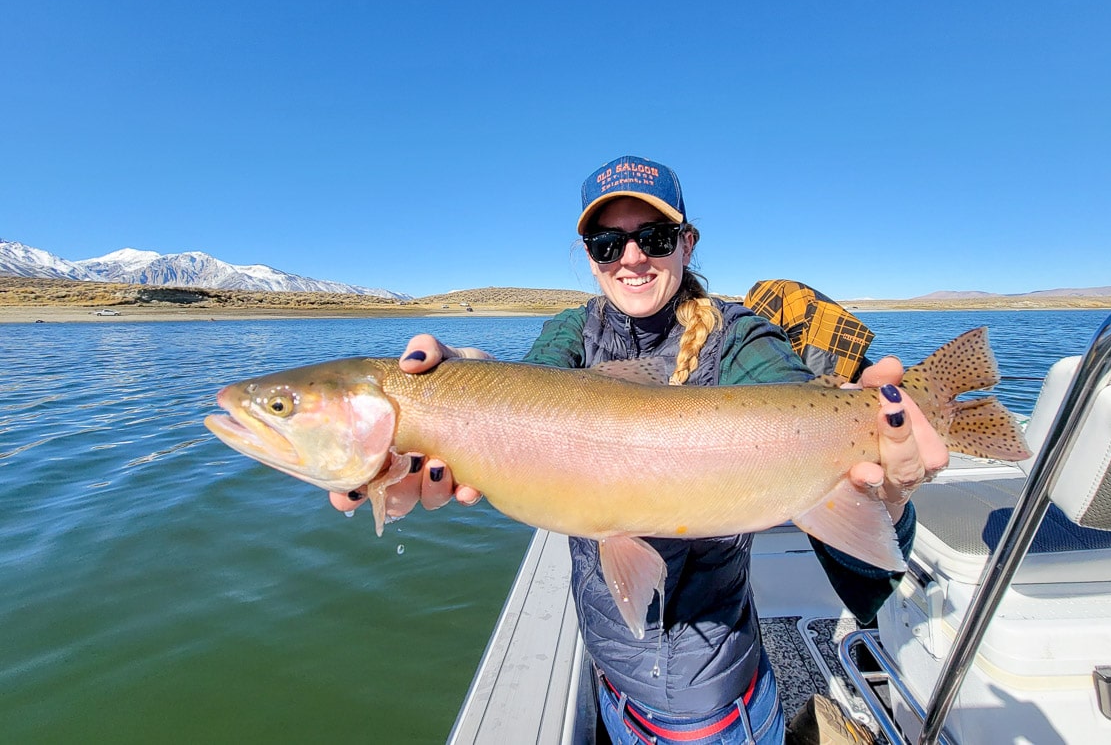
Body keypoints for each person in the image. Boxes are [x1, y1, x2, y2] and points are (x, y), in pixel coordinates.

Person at [331, 156, 948, 744]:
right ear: (590, 258)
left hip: (710, 712)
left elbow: (802, 426)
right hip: (612, 678)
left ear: (687, 242)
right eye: (607, 244)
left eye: (653, 237)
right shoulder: (574, 331)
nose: (631, 258)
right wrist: (458, 387)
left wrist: (887, 497)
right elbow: (530, 387)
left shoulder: (739, 339)